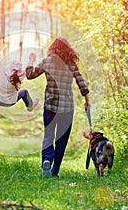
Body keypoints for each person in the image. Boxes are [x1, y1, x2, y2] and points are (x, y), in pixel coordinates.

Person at [26, 37, 90, 177]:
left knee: (48, 136)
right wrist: (87, 100)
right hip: (67, 107)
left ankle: (47, 160)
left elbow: (30, 75)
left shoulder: (47, 62)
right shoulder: (71, 64)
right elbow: (81, 82)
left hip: (50, 106)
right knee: (62, 140)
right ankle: (55, 172)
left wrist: (30, 61)